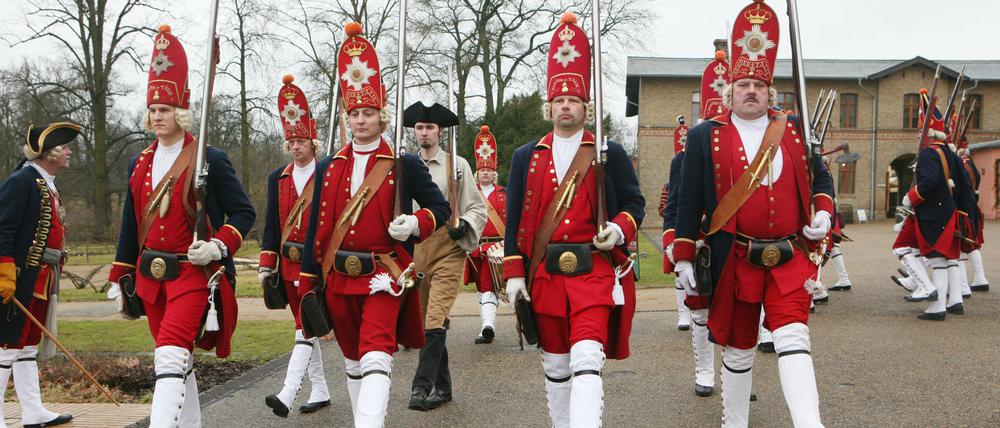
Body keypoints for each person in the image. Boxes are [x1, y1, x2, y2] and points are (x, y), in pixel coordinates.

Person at [672, 1, 834, 425]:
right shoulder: (705, 135)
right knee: (740, 347)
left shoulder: (794, 129)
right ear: (730, 91)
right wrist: (684, 253)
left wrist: (822, 211)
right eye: (742, 83)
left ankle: (809, 423)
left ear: (769, 91)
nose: (750, 91)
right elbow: (688, 201)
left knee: (794, 336)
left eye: (758, 85)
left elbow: (821, 179)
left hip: (788, 255)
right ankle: (735, 421)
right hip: (734, 258)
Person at [295, 22, 450, 428]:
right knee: (351, 358)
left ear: (382, 118)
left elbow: (440, 209)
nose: (360, 121)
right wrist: (309, 279)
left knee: (377, 352)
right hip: (338, 275)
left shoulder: (404, 163)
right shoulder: (329, 166)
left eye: (368, 113)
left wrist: (414, 222)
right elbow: (317, 228)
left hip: (385, 274)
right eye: (354, 114)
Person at [106, 25, 256, 427]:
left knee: (170, 355)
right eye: (154, 109)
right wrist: (119, 274)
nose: (158, 116)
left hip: (192, 273)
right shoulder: (138, 162)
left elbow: (244, 214)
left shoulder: (209, 158)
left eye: (166, 109)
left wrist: (218, 246)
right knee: (179, 360)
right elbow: (130, 223)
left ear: (182, 111)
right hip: (150, 276)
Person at [503, 12, 645, 427]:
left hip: (594, 271)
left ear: (586, 106)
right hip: (544, 274)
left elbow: (635, 204)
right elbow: (514, 223)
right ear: (550, 106)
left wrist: (617, 228)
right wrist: (514, 273)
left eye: (574, 100)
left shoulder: (608, 152)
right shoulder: (525, 156)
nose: (566, 106)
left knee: (587, 358)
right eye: (560, 100)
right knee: (557, 365)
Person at [404, 101, 487, 411]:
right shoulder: (405, 167)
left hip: (449, 249)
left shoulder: (458, 165)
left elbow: (478, 207)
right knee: (426, 319)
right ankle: (444, 386)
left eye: (430, 127)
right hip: (417, 249)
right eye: (420, 127)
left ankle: (420, 387)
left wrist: (464, 224)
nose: (424, 132)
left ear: (440, 131)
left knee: (436, 316)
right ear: (415, 131)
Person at [0, 122, 80, 428]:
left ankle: (33, 412)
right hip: (20, 278)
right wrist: (5, 269)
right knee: (7, 345)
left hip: (42, 278)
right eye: (65, 145)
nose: (70, 150)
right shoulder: (22, 181)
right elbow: (3, 228)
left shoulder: (45, 181)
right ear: (50, 151)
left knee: (28, 347)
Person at [260, 75, 331, 417]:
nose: (297, 146)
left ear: (312, 141)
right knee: (306, 326)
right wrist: (265, 262)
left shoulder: (329, 172)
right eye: (292, 141)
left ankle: (288, 393)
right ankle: (320, 389)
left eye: (302, 140)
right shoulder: (278, 177)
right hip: (286, 266)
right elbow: (272, 224)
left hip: (315, 264)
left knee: (306, 325)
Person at [899, 91, 975, 320]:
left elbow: (930, 182)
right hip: (947, 210)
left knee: (905, 249)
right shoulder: (947, 152)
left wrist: (911, 196)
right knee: (939, 259)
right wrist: (961, 209)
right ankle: (938, 306)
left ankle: (929, 293)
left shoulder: (930, 153)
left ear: (927, 130)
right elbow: (963, 183)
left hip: (933, 211)